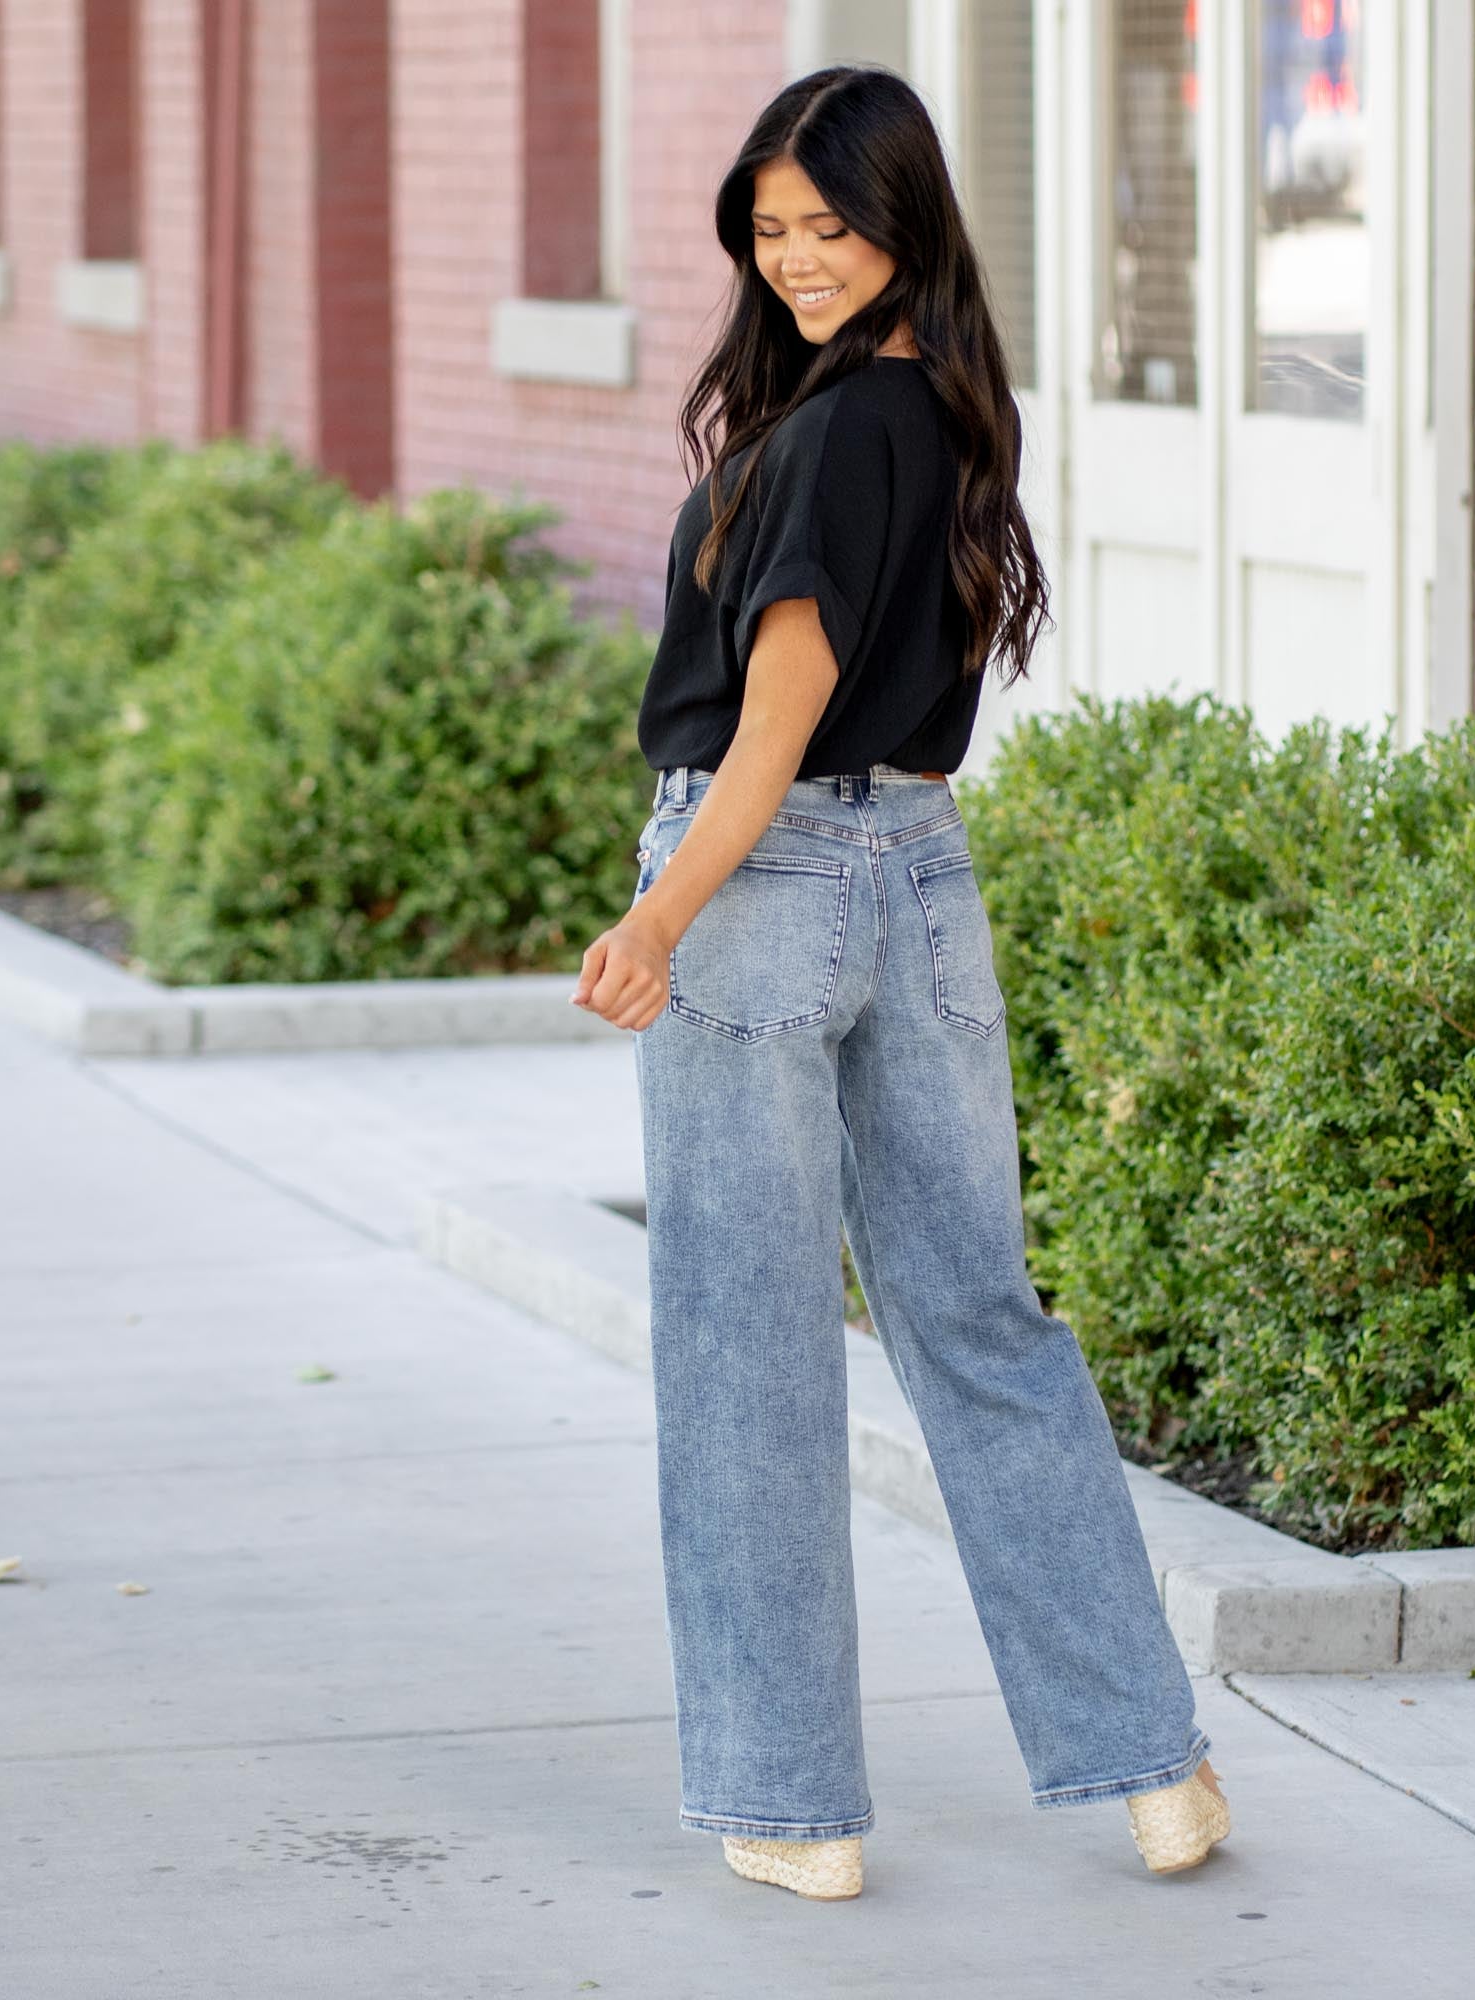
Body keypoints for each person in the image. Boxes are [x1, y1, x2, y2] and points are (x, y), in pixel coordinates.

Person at [570, 64, 1229, 1902]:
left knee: (745, 1341)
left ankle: (791, 1805)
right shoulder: (947, 408)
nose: (793, 259)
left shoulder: (824, 436)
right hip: (923, 874)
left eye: (828, 227)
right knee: (979, 1317)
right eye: (769, 230)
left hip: (759, 885)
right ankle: (1156, 1766)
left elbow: (777, 709)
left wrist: (662, 916)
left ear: (903, 219)